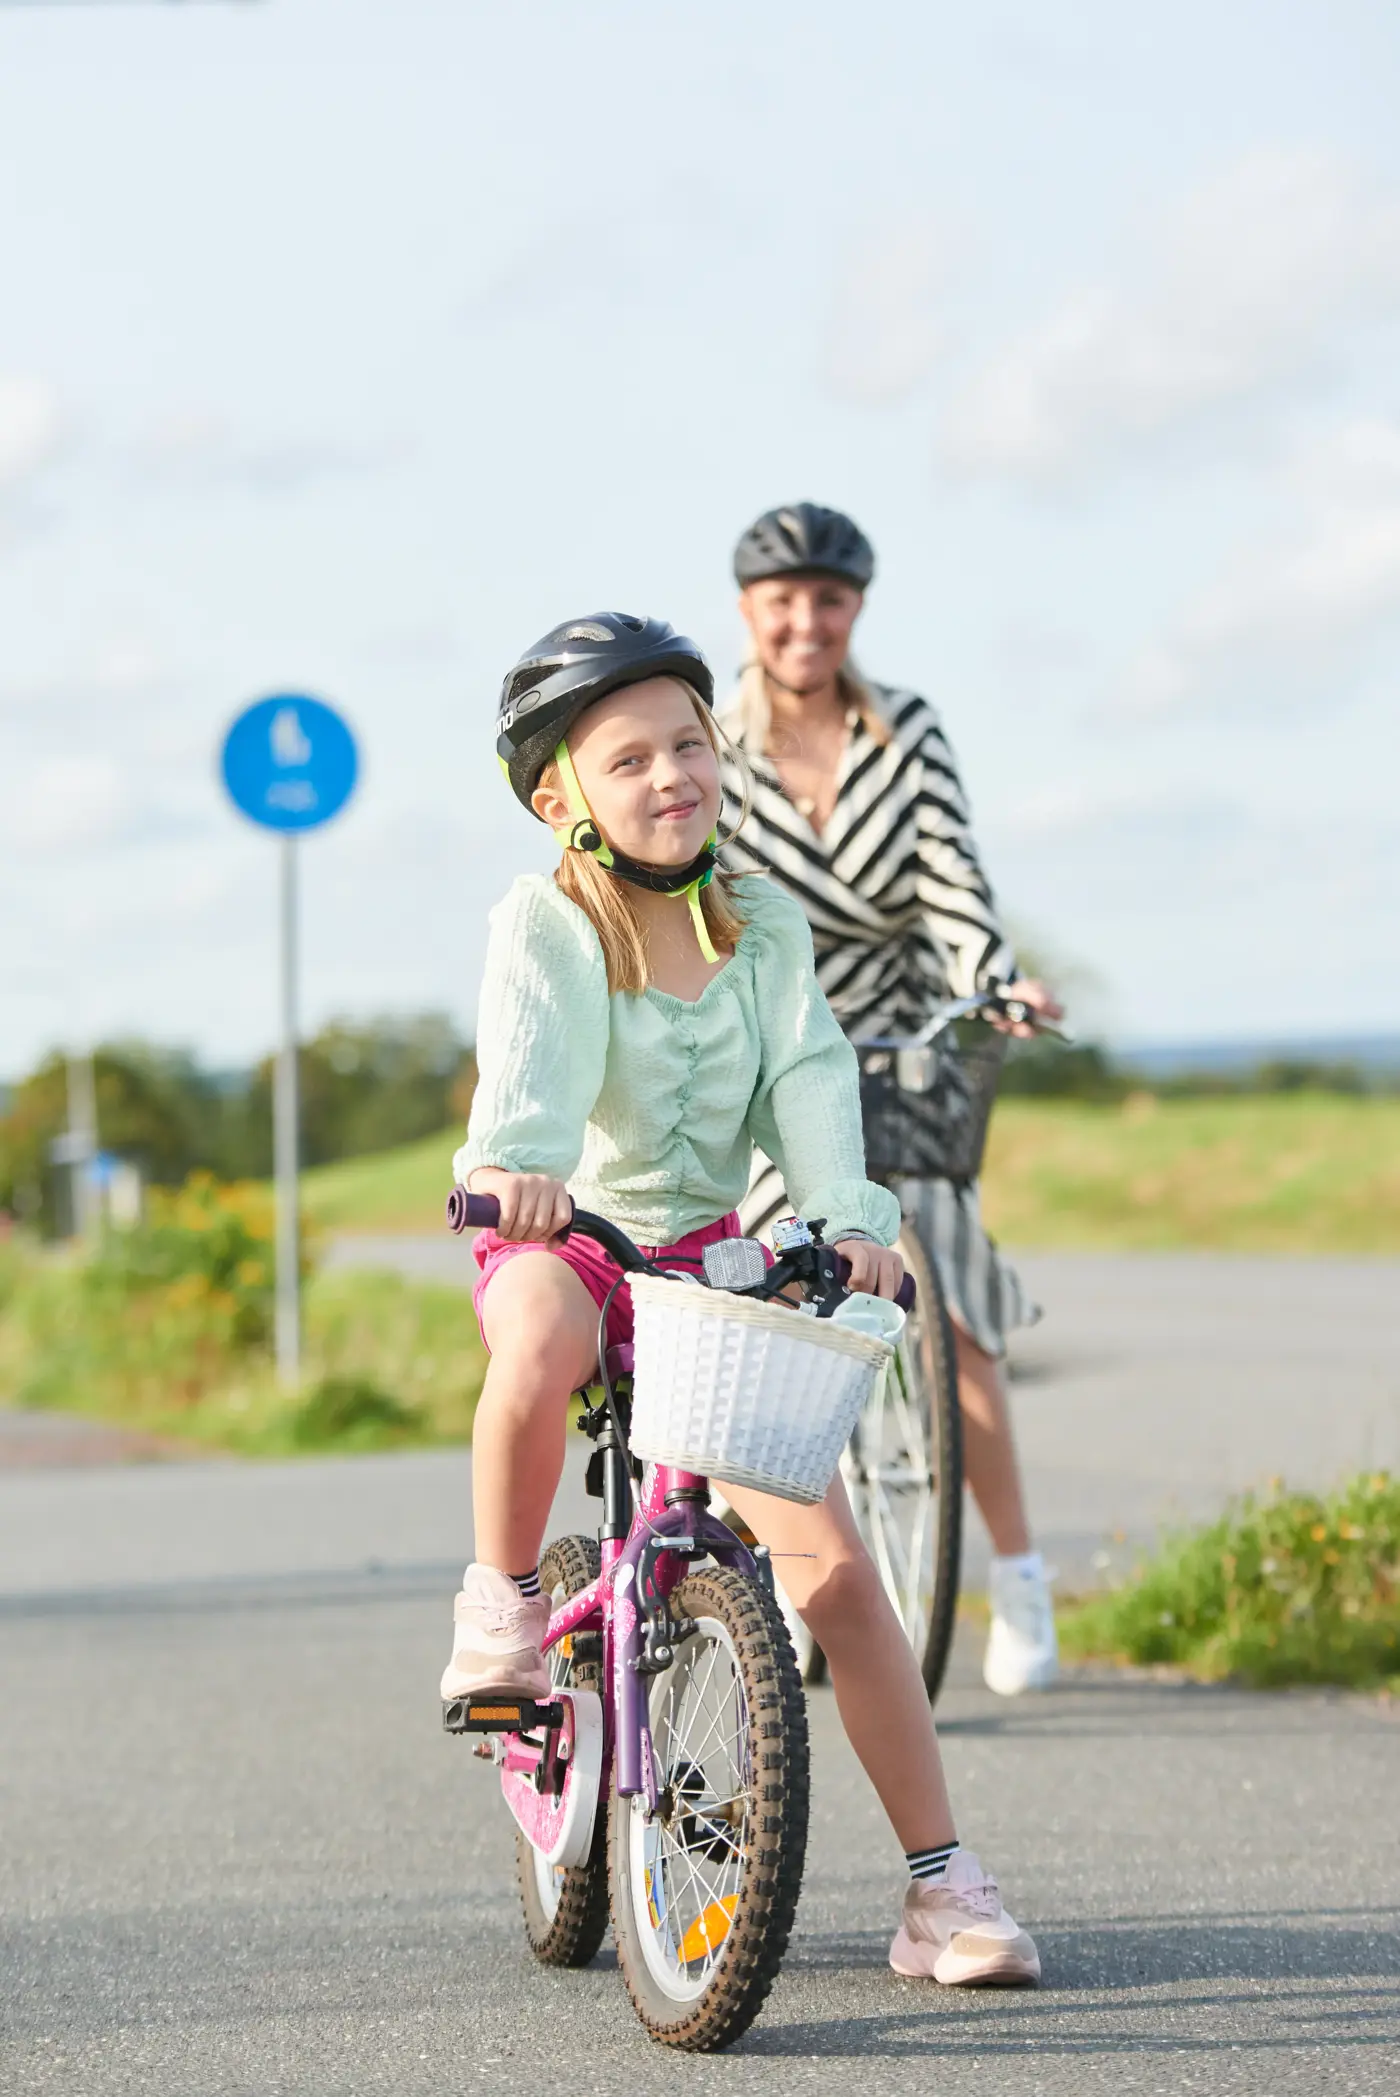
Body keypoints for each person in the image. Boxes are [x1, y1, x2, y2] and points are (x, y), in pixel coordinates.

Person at [442, 611, 1041, 1987]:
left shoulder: (762, 926)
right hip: (569, 1239)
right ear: (560, 799)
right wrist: (517, 1176)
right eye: (629, 758)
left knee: (837, 1576)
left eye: (690, 743)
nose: (672, 774)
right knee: (536, 1334)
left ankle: (941, 1888)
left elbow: (811, 1081)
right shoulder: (547, 923)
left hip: (709, 1260)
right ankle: (505, 1604)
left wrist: (851, 1222)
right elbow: (526, 1082)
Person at [719, 503, 1063, 1696]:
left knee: (954, 1316)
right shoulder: (713, 743)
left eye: (828, 600)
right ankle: (791, 1572)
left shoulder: (903, 729)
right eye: (782, 601)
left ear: (854, 608)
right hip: (769, 1052)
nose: (805, 622)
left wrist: (992, 977)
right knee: (767, 1312)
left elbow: (951, 874)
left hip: (894, 1043)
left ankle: (1016, 1581)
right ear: (748, 610)